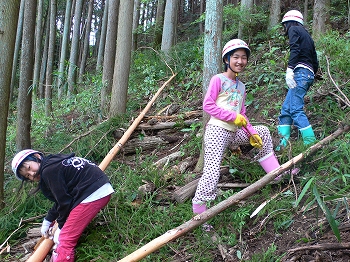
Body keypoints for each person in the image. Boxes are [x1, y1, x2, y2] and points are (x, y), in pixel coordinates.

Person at [192, 39, 298, 229]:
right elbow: (208, 105)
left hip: (233, 133)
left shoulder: (241, 87)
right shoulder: (218, 79)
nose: (240, 61)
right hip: (217, 130)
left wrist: (250, 133)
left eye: (243, 58)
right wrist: (232, 117)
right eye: (235, 57)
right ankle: (200, 216)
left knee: (263, 132)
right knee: (212, 172)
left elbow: (243, 115)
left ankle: (276, 174)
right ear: (227, 59)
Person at [11, 149, 114, 262]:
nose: (32, 174)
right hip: (97, 189)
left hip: (92, 193)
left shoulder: (48, 171)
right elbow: (62, 198)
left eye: (29, 168)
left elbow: (64, 202)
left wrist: (60, 226)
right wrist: (48, 219)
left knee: (64, 239)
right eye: (27, 176)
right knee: (63, 233)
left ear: (37, 156)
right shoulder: (54, 163)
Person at [276, 10, 319, 150]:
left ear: (288, 23)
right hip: (308, 74)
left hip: (300, 73)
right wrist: (312, 75)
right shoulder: (307, 35)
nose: (285, 29)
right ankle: (283, 144)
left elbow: (295, 49)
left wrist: (290, 69)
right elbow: (315, 59)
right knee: (286, 109)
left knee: (295, 109)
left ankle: (310, 142)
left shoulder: (294, 29)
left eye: (285, 25)